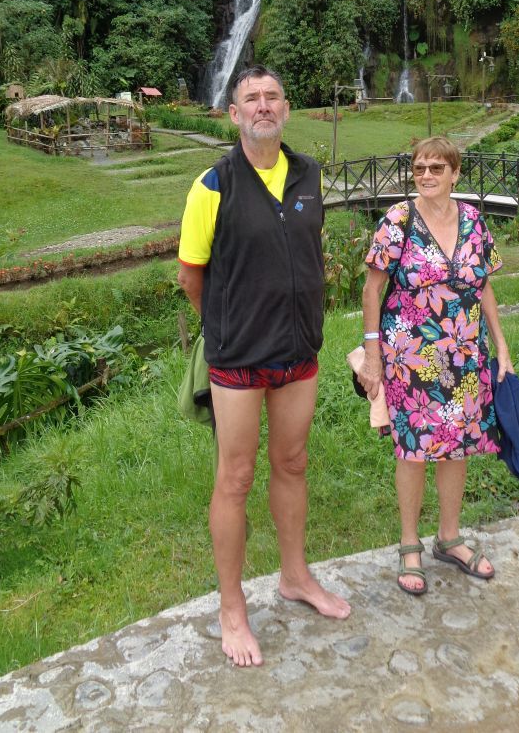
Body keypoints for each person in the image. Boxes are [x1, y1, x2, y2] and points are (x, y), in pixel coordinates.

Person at [177, 65, 350, 667]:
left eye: (272, 96)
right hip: (239, 359)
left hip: (298, 352)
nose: (263, 105)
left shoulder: (309, 175)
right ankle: (232, 608)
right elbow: (190, 275)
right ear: (234, 114)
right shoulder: (213, 185)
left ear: (286, 107)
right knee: (236, 477)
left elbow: (307, 249)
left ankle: (295, 577)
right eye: (250, 98)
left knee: (293, 463)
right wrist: (226, 326)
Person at [360, 136, 514, 596]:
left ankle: (449, 537)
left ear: (455, 173)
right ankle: (410, 544)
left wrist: (501, 347)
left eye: (437, 168)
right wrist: (372, 354)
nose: (426, 175)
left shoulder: (473, 220)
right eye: (419, 168)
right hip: (410, 355)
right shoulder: (398, 220)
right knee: (413, 448)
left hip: (465, 353)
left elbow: (484, 286)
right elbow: (372, 290)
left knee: (458, 444)